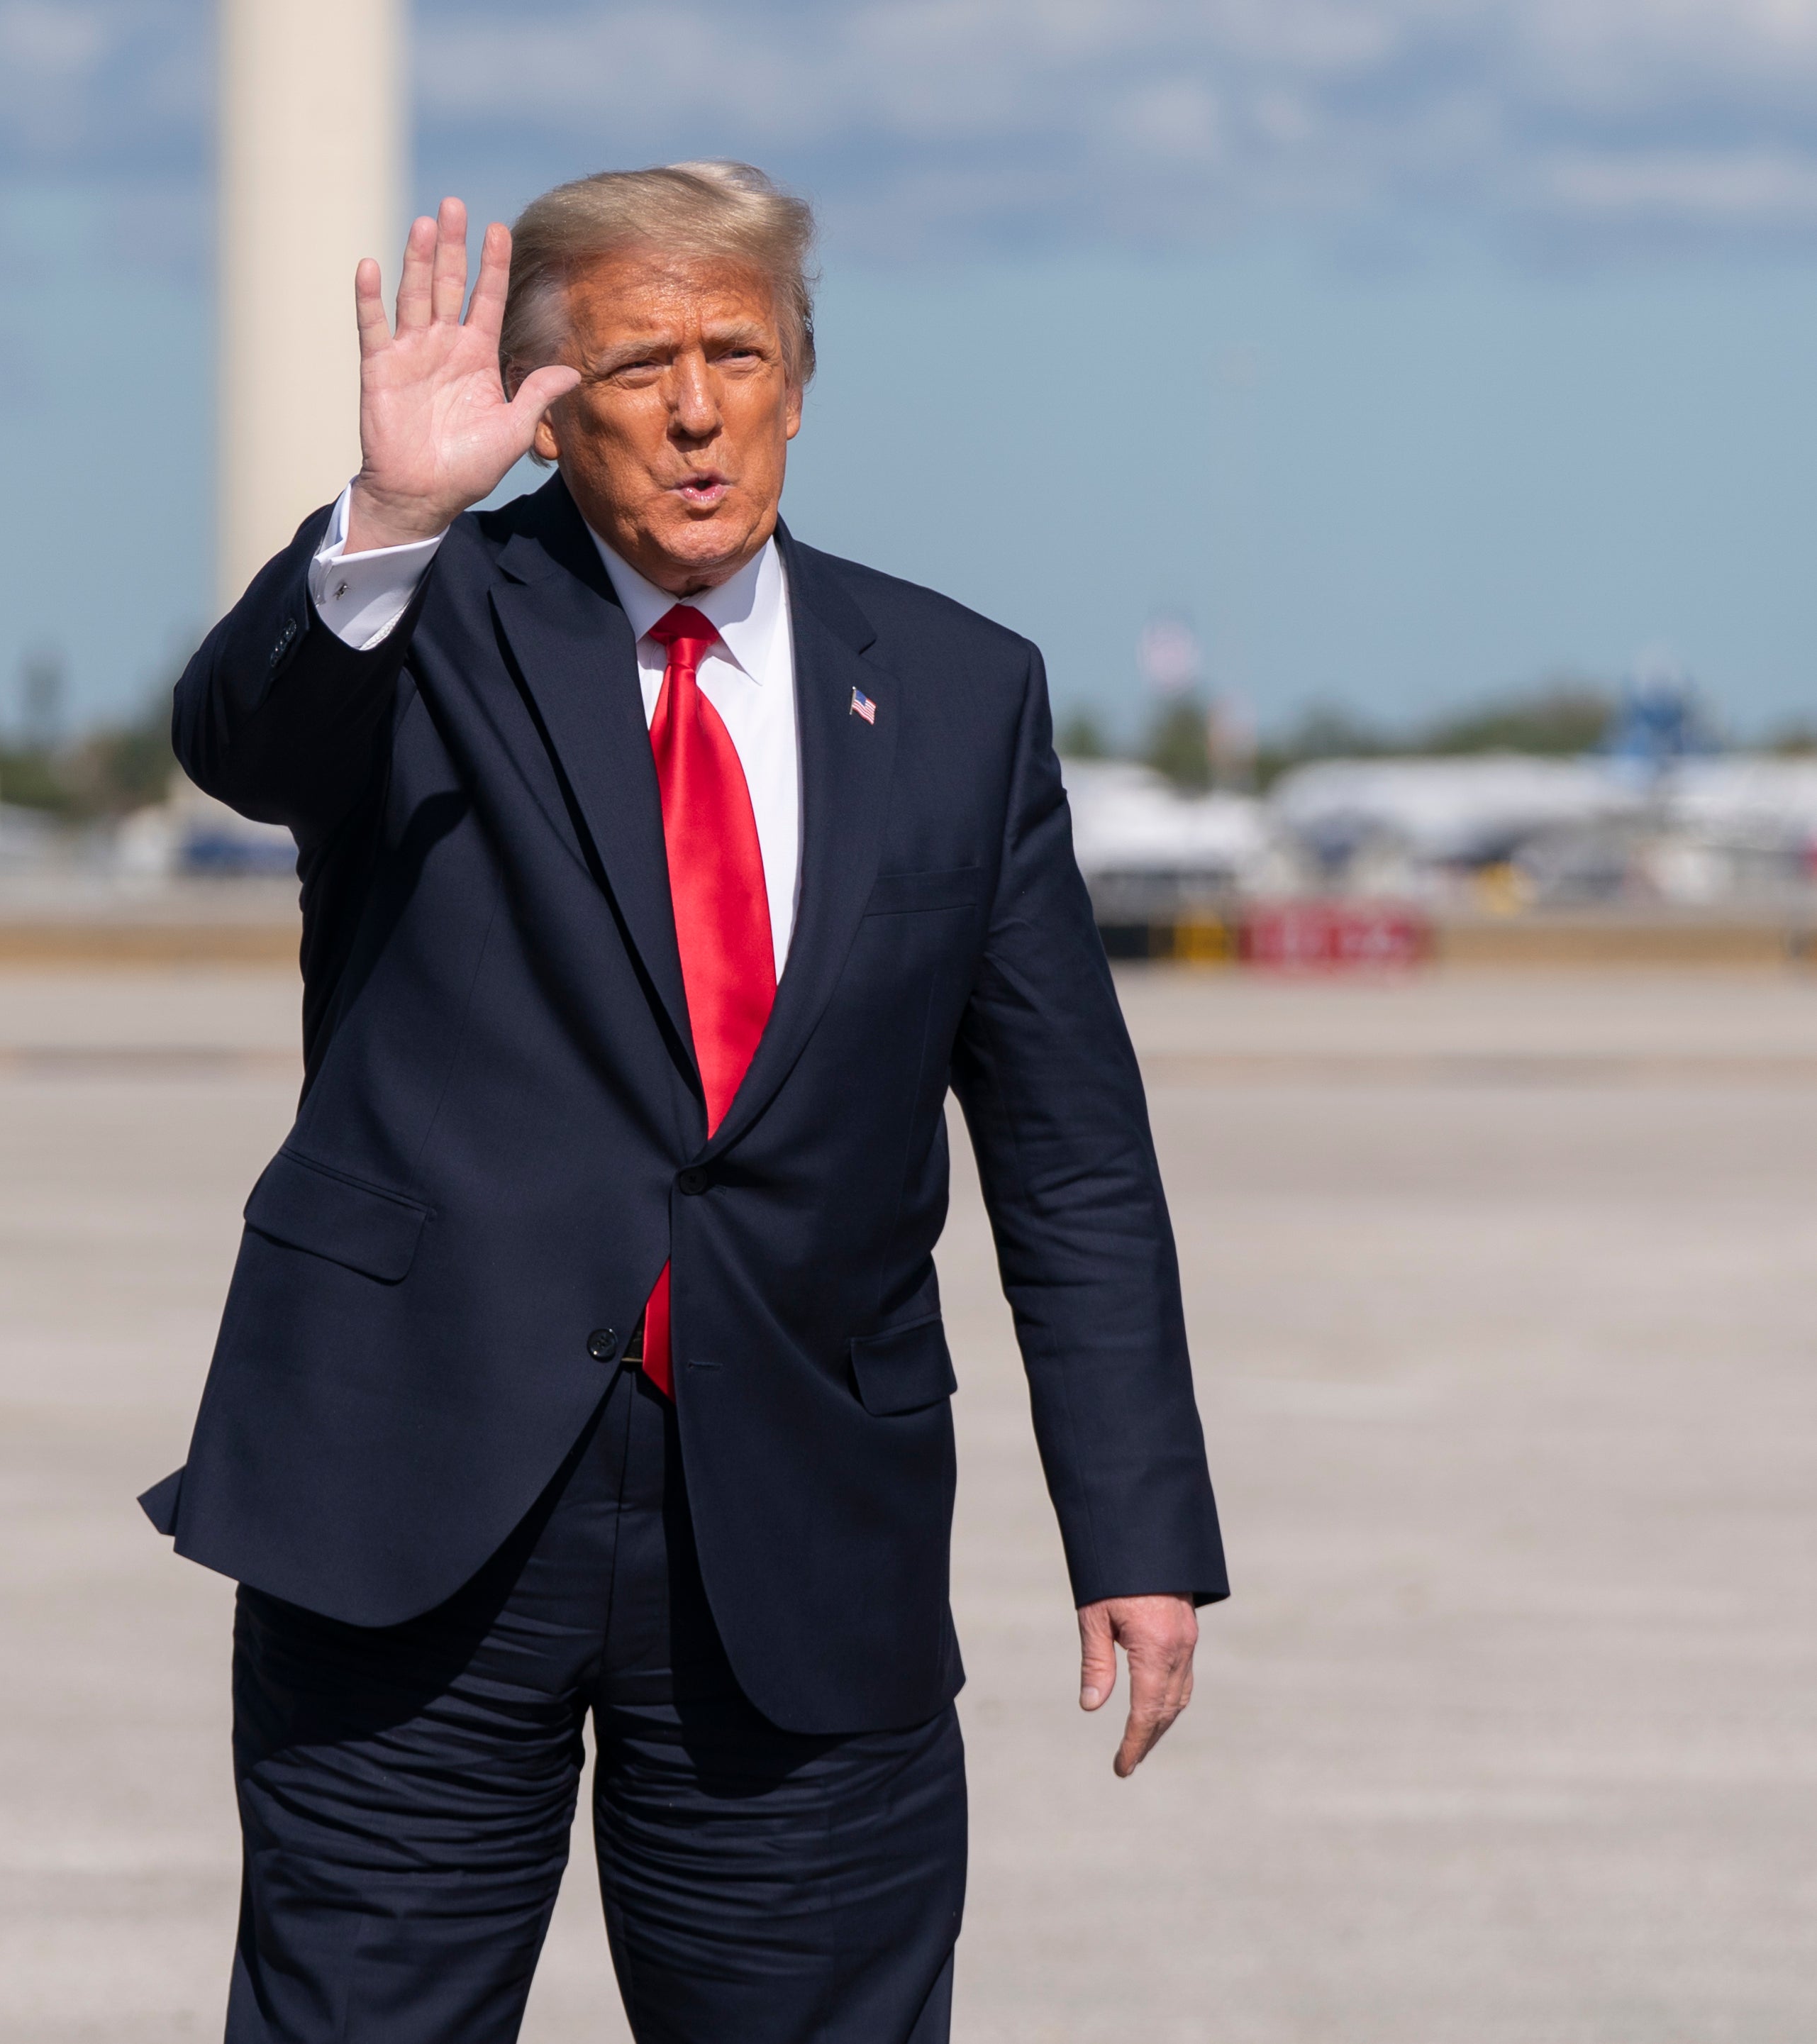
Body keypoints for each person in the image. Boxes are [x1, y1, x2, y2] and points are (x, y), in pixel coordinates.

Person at [143, 165, 1230, 2043]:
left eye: (737, 350)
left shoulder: (963, 694)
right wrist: (396, 508)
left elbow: (1069, 1156)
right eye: (638, 360)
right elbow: (243, 742)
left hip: (800, 1515)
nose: (697, 405)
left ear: (802, 378)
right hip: (417, 1497)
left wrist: (1133, 1529)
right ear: (549, 401)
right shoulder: (432, 624)